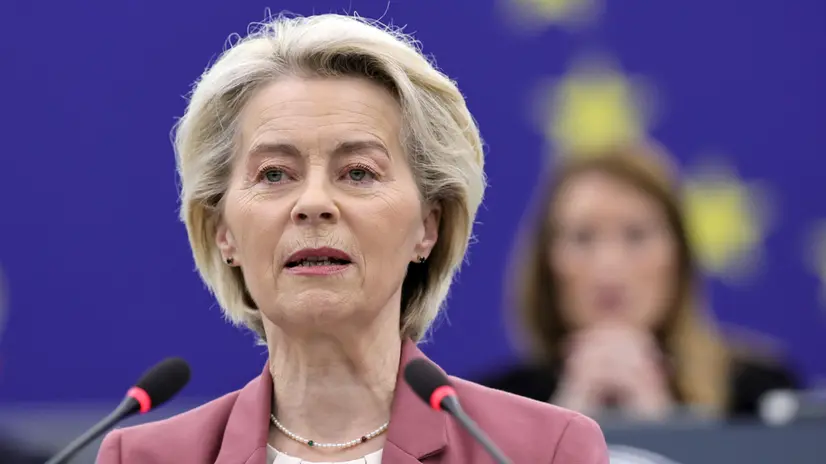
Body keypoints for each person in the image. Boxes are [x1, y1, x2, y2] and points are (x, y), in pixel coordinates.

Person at [97, 13, 608, 464]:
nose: (313, 202)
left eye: (358, 172)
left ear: (428, 227)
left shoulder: (540, 451)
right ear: (222, 231)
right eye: (274, 174)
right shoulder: (144, 458)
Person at [478, 141, 798, 422]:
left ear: (679, 256)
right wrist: (567, 422)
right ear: (547, 262)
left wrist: (663, 425)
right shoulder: (493, 408)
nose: (609, 266)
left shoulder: (758, 396)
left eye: (636, 236)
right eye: (583, 237)